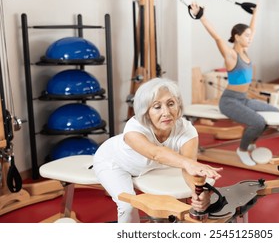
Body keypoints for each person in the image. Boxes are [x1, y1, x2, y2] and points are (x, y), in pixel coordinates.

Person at [93, 77, 222, 223]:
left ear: (178, 106)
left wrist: (198, 192)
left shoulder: (187, 130)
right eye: (157, 106)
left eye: (171, 104)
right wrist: (188, 163)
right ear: (146, 111)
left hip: (149, 167)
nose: (166, 112)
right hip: (113, 163)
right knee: (127, 206)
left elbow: (188, 168)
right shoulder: (133, 128)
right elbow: (156, 153)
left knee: (163, 209)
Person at [190, 2, 279, 167]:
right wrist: (201, 16)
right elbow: (217, 37)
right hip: (229, 101)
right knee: (258, 122)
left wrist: (256, 12)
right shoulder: (231, 55)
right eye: (246, 36)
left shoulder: (245, 51)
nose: (250, 38)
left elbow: (252, 28)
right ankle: (243, 150)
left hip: (243, 99)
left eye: (250, 36)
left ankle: (250, 139)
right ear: (237, 37)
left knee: (275, 112)